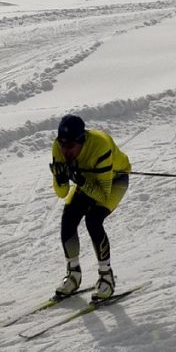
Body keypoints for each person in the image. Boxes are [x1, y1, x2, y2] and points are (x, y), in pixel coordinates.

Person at [49, 114, 131, 300]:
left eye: (70, 146)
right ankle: (73, 274)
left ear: (82, 141)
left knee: (93, 220)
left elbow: (103, 195)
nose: (65, 151)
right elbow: (62, 193)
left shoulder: (99, 146)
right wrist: (61, 178)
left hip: (114, 180)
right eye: (62, 144)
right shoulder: (59, 148)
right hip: (87, 180)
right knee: (68, 218)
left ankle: (106, 277)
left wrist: (80, 180)